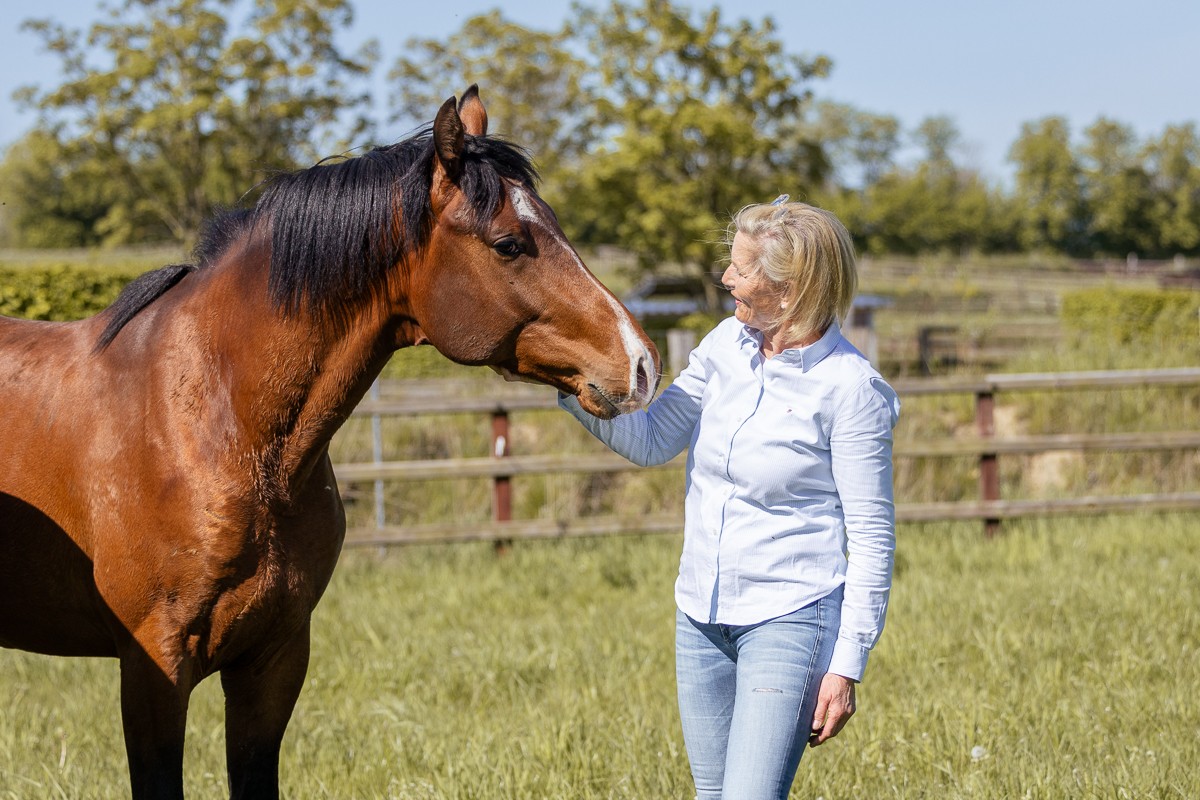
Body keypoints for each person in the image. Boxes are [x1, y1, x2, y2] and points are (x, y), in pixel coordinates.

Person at [558, 197, 900, 799]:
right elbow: (654, 439)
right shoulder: (724, 345)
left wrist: (847, 664)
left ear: (790, 290)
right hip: (699, 615)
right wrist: (568, 383)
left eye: (741, 270)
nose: (725, 279)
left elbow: (871, 539)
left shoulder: (851, 391)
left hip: (790, 617)